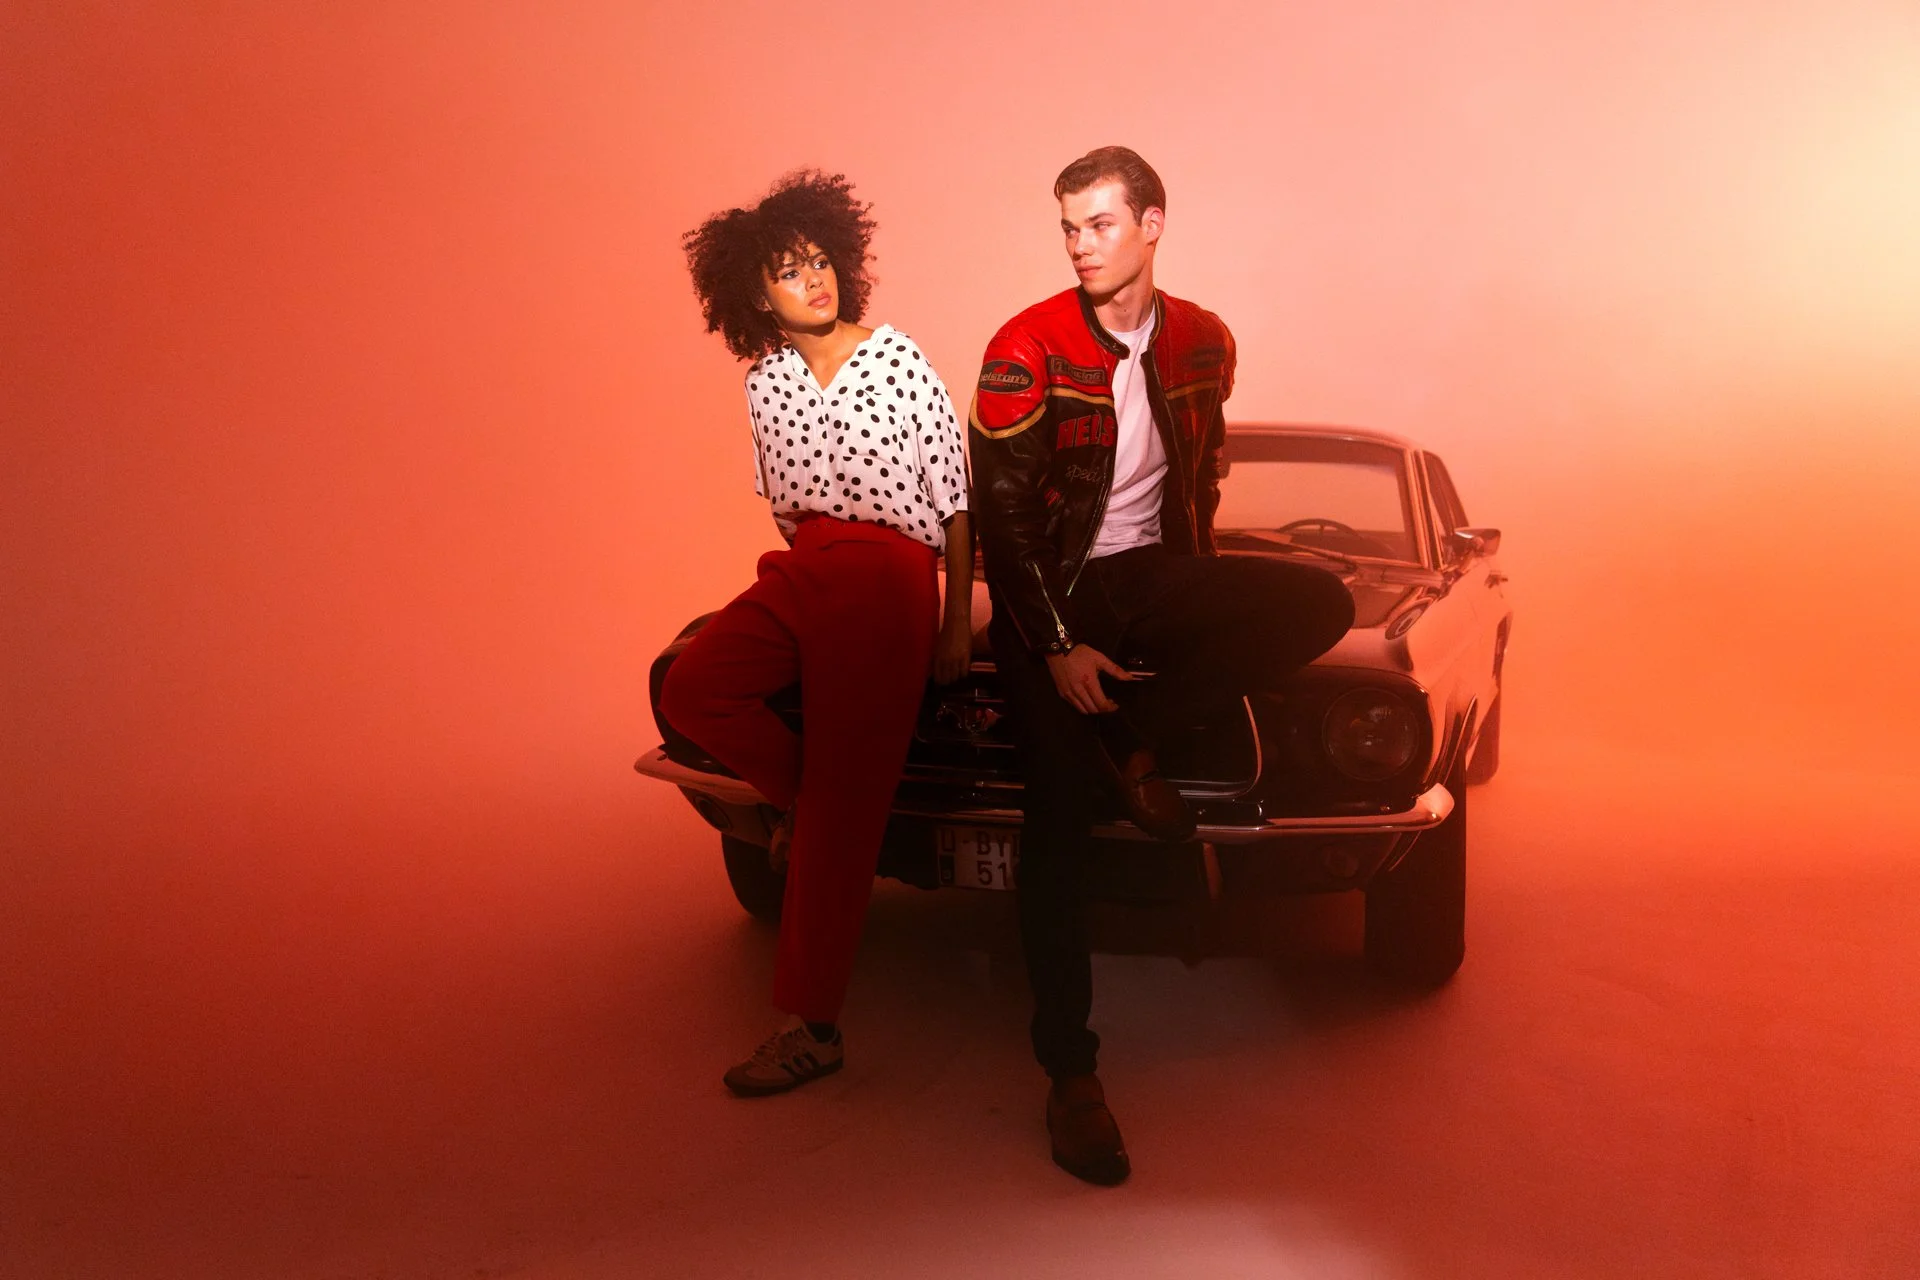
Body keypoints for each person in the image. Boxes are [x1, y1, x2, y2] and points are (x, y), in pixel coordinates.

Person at [968, 147, 1355, 1183]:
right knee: (1058, 823)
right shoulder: (1025, 349)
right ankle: (1071, 1075)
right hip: (1045, 596)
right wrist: (1056, 646)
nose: (1081, 245)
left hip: (1148, 577)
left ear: (1153, 223)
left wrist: (1192, 612)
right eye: (1067, 227)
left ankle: (1129, 738)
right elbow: (1003, 529)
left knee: (1319, 600)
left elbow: (1198, 478)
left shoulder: (1203, 341)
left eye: (1099, 223)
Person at [662, 170, 973, 1097]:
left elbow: (955, 501)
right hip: (808, 564)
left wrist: (953, 619)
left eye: (819, 261)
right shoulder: (765, 385)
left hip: (888, 574)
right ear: (755, 296)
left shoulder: (898, 357)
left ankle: (812, 1028)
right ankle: (802, 799)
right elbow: (787, 510)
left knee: (847, 810)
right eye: (789, 272)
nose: (814, 280)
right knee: (691, 689)